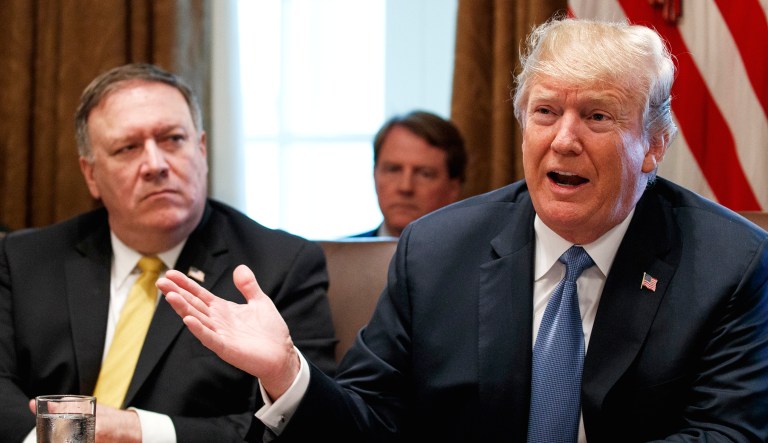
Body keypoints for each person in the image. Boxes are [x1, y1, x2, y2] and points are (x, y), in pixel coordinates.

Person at [157, 17, 768, 442]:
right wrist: (286, 373)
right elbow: (371, 422)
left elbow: (729, 433)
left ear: (654, 144)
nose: (563, 139)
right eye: (546, 112)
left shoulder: (730, 263)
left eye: (598, 116)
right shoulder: (437, 251)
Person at [0, 63, 337, 443]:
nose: (156, 165)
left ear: (202, 149)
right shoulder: (24, 258)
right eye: (128, 148)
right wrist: (56, 437)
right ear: (91, 174)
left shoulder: (279, 267)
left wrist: (137, 431)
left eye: (172, 139)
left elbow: (303, 423)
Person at [351, 110, 467, 238]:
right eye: (393, 170)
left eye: (424, 174)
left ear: (454, 188)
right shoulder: (336, 256)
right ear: (375, 175)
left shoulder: (479, 257)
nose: (405, 187)